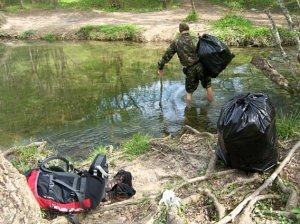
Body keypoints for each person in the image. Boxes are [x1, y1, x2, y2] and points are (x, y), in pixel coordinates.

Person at [157, 22, 213, 105]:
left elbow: (167, 55)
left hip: (190, 69)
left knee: (189, 92)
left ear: (180, 31)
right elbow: (206, 50)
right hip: (202, 66)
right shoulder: (196, 39)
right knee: (208, 86)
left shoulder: (176, 42)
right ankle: (211, 106)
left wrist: (160, 67)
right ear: (188, 29)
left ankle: (189, 114)